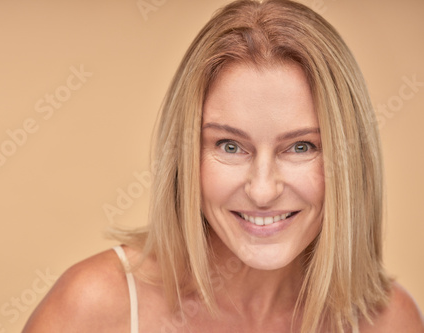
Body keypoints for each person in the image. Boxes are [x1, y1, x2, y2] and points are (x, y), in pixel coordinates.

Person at [22, 0, 424, 332]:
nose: (262, 190)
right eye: (230, 146)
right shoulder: (94, 308)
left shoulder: (388, 322)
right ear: (185, 156)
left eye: (301, 146)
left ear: (349, 160)